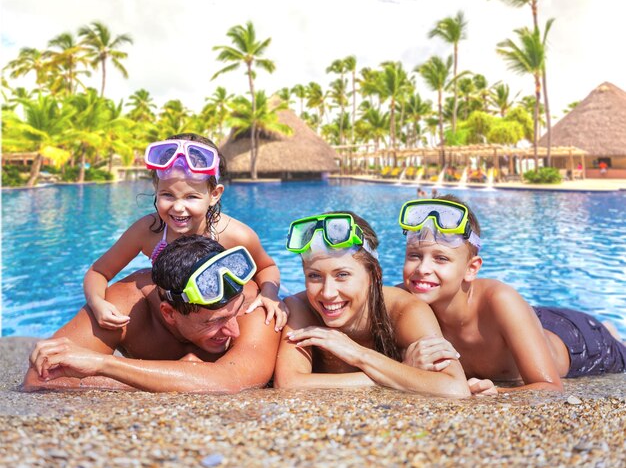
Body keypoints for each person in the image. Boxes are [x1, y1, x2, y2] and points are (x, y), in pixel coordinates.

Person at [397, 195, 626, 392]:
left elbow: (549, 387)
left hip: (580, 342)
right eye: (414, 255)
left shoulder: (500, 300)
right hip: (530, 319)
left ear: (471, 269)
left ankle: (610, 333)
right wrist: (406, 365)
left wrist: (499, 392)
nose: (423, 269)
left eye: (441, 258)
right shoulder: (402, 300)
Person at [83, 133, 287, 332]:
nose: (178, 207)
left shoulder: (234, 235)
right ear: (156, 189)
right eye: (167, 195)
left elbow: (266, 267)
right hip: (178, 319)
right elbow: (99, 271)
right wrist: (96, 302)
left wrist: (270, 294)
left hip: (220, 323)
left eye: (191, 197)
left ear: (214, 195)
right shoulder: (148, 231)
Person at [24, 235, 280, 393]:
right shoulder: (123, 306)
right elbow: (40, 378)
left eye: (233, 314)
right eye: (216, 322)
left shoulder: (253, 302)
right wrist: (176, 376)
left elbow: (232, 380)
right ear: (169, 313)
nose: (234, 331)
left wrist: (104, 365)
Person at [273, 211, 476, 398]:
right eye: (314, 276)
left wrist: (358, 354)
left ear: (373, 275)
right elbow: (289, 384)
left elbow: (454, 388)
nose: (327, 292)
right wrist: (400, 369)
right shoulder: (300, 308)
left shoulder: (404, 310)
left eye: (342, 275)